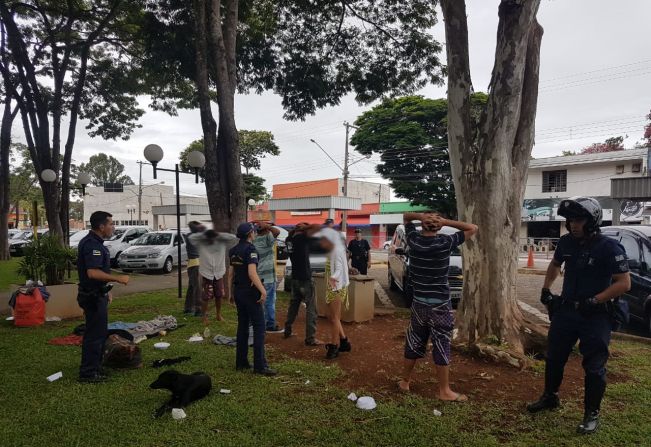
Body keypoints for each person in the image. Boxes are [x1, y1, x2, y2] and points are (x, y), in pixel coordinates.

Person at [527, 197, 631, 435]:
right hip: (566, 311)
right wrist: (546, 290)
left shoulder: (609, 247)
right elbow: (554, 265)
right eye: (571, 220)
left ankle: (591, 413)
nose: (574, 224)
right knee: (554, 357)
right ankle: (550, 397)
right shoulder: (566, 243)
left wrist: (596, 299)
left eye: (579, 220)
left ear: (592, 220)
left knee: (594, 366)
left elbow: (624, 283)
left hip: (595, 315)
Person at [397, 212, 478, 401]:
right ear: (439, 227)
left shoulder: (413, 240)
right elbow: (473, 228)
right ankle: (444, 391)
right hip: (440, 304)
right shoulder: (445, 243)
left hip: (419, 303)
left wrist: (421, 216)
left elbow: (406, 217)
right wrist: (445, 221)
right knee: (442, 344)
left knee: (414, 340)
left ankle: (405, 381)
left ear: (423, 225)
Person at [77, 211, 129, 383]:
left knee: (98, 333)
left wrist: (107, 290)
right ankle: (88, 373)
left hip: (97, 294)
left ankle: (95, 367)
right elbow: (92, 273)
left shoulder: (95, 242)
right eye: (111, 224)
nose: (113, 227)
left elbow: (99, 274)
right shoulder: (92, 245)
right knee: (95, 335)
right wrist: (118, 278)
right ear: (101, 226)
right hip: (92, 297)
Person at [228, 222, 277, 376]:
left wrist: (230, 293)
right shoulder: (250, 249)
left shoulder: (233, 250)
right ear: (250, 234)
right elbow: (252, 273)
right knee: (259, 328)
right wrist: (263, 291)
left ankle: (241, 363)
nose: (255, 233)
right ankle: (260, 366)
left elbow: (231, 273)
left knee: (242, 327)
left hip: (238, 292)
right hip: (250, 293)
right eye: (253, 232)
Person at [189, 228, 238, 325]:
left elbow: (233, 238)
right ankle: (204, 317)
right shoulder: (201, 242)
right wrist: (204, 235)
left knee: (219, 295)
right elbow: (191, 237)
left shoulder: (221, 241)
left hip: (219, 273)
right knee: (205, 297)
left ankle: (218, 314)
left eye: (212, 238)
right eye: (209, 239)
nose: (211, 241)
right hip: (207, 274)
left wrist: (218, 234)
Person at [284, 222, 323, 345]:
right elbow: (317, 227)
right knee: (311, 309)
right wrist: (305, 227)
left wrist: (301, 228)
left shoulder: (289, 239)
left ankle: (287, 330)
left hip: (294, 278)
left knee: (293, 306)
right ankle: (310, 338)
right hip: (305, 278)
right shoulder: (303, 238)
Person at [318, 228, 351, 359]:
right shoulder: (332, 250)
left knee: (334, 318)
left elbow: (338, 269)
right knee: (331, 317)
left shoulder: (336, 251)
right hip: (332, 286)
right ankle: (344, 342)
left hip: (336, 286)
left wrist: (333, 278)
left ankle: (334, 347)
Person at [252, 221, 282, 333]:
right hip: (268, 276)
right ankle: (270, 324)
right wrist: (268, 226)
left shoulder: (254, 240)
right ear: (266, 230)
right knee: (269, 301)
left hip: (259, 275)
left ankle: (260, 322)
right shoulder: (267, 238)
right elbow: (277, 231)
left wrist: (264, 225)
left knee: (261, 300)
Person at [184, 221, 205, 316]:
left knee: (192, 286)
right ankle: (198, 309)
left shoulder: (189, 236)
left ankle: (188, 308)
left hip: (191, 264)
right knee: (198, 287)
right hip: (197, 264)